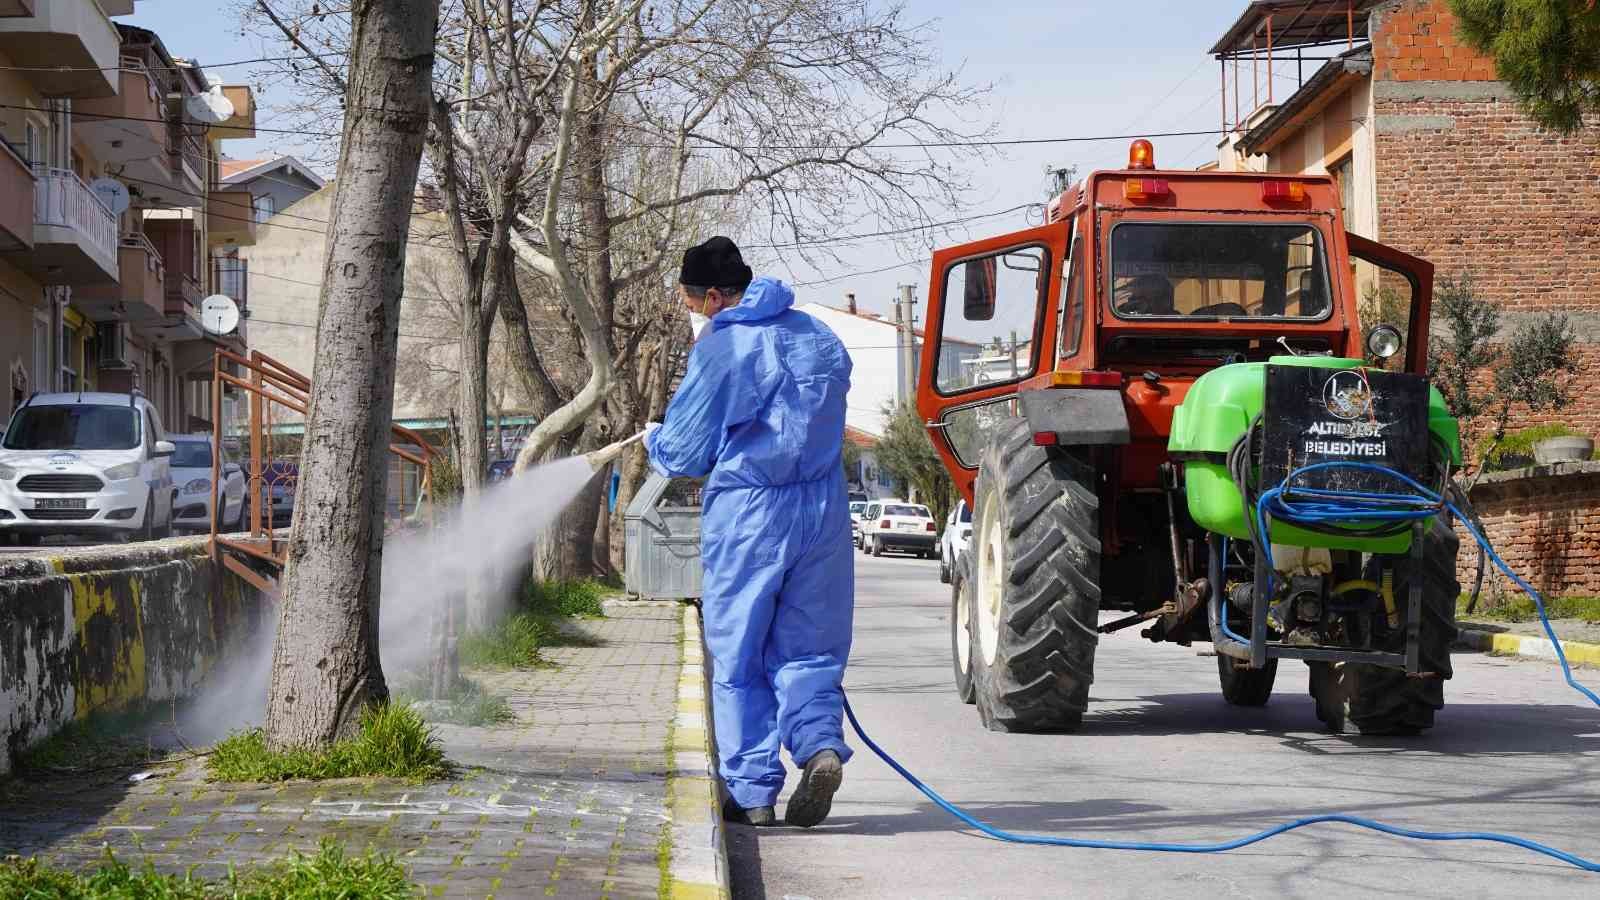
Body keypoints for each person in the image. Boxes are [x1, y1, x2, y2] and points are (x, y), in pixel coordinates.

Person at [644, 236, 855, 829]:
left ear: (713, 297)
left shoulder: (726, 347)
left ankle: (753, 792)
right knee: (811, 648)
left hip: (751, 515)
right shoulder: (816, 334)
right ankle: (817, 748)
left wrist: (654, 438)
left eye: (690, 300)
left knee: (739, 655)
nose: (691, 311)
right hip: (824, 510)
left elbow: (686, 452)